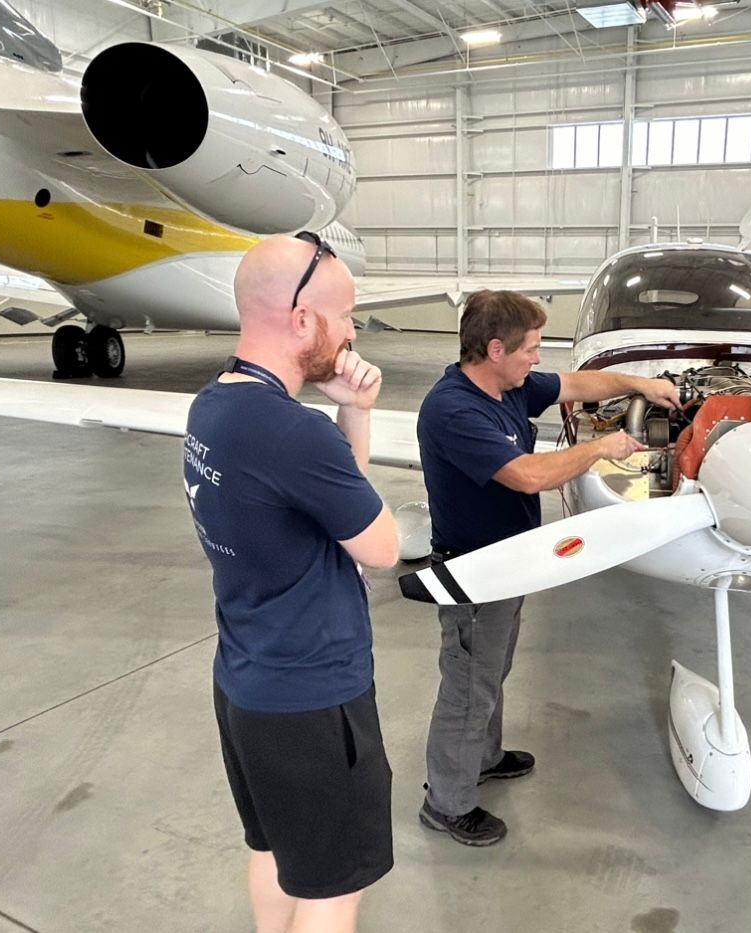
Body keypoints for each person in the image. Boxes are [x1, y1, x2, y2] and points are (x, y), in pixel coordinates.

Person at [183, 232, 400, 933]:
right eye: (348, 317)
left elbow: (333, 506)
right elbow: (380, 546)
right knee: (334, 888)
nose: (354, 332)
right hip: (313, 700)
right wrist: (346, 420)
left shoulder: (214, 406)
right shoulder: (291, 434)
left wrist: (353, 410)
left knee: (275, 848)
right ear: (304, 321)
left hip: (245, 686)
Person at [415, 289, 681, 846]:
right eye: (530, 349)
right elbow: (528, 476)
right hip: (475, 571)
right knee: (468, 686)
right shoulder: (454, 409)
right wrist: (600, 447)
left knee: (490, 672)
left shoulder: (510, 385)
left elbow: (580, 384)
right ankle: (448, 802)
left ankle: (483, 759)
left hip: (511, 564)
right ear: (494, 349)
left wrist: (640, 384)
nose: (538, 359)